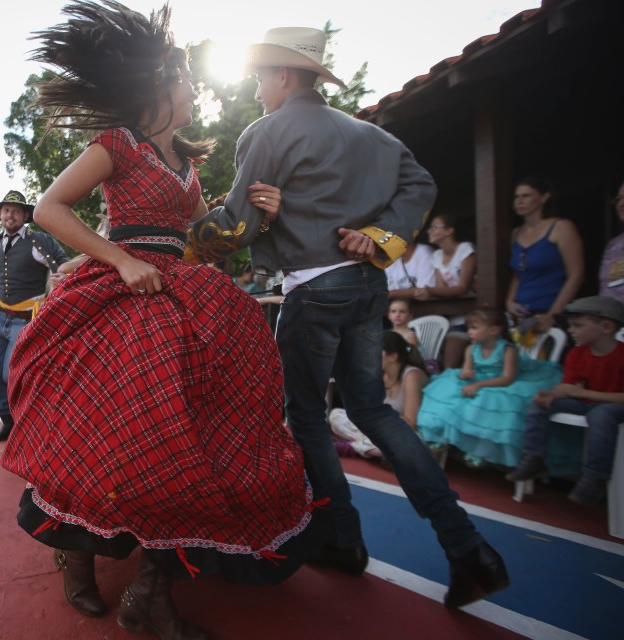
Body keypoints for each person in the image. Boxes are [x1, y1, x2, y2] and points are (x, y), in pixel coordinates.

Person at [0, 3, 321, 636]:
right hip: (118, 295)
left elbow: (206, 239)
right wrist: (117, 260)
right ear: (159, 90)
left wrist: (261, 211)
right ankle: (77, 557)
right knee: (104, 433)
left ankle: (152, 589)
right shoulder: (116, 144)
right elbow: (48, 208)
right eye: (186, 83)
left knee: (190, 439)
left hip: (179, 293)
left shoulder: (189, 167)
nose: (195, 91)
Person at [184, 24, 508, 609]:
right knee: (374, 413)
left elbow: (234, 226)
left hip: (314, 289)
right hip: (368, 285)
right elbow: (420, 183)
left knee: (306, 418)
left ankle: (344, 539)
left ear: (283, 75)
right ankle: (467, 547)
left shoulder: (269, 130)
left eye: (261, 77)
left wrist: (173, 248)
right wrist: (381, 236)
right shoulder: (371, 135)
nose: (257, 89)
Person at [506, 296, 624, 504]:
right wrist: (552, 395)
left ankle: (595, 477)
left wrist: (583, 394)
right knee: (538, 404)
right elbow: (568, 388)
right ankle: (533, 458)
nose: (571, 330)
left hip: (616, 406)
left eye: (578, 326)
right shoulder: (576, 354)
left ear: (606, 327)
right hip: (587, 403)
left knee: (601, 414)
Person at [0, 189, 68, 444]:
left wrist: (63, 276)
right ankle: (8, 422)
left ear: (25, 215)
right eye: (5, 210)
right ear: (0, 215)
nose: (10, 215)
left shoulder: (40, 240)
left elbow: (62, 262)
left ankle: (27, 422)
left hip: (27, 318)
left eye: (16, 211)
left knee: (10, 374)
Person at [418, 309, 562, 468]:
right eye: (469, 328)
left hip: (502, 382)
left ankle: (481, 449)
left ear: (494, 330)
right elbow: (467, 369)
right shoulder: (471, 349)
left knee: (489, 400)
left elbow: (508, 378)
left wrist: (478, 385)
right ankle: (441, 437)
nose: (469, 332)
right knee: (447, 388)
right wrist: (466, 374)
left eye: (474, 328)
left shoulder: (508, 350)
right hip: (478, 379)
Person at [505, 175, 584, 338]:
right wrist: (509, 301)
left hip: (551, 315)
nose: (519, 201)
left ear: (544, 197)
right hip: (522, 317)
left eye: (526, 196)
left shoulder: (561, 227)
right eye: (516, 197)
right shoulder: (516, 233)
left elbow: (576, 275)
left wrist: (552, 315)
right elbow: (518, 275)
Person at [330, 331, 429, 458]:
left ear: (393, 357)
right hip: (381, 429)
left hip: (405, 431)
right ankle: (374, 448)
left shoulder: (411, 375)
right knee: (335, 415)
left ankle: (352, 447)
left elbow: (410, 423)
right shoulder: (380, 373)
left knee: (408, 441)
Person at [415, 213, 477, 369]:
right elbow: (443, 289)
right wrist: (432, 291)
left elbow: (462, 287)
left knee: (449, 363)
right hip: (451, 315)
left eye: (435, 227)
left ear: (449, 231)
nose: (429, 231)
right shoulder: (436, 256)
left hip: (471, 315)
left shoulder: (465, 249)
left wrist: (430, 290)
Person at [599, 177, 624, 315]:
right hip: (616, 325)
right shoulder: (615, 245)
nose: (622, 203)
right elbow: (607, 288)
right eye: (618, 199)